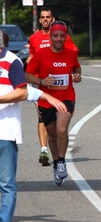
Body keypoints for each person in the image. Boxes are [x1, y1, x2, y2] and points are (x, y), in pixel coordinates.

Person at [0, 29, 66, 222]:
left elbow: (23, 91)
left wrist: (44, 94)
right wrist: (45, 94)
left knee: (7, 183)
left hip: (6, 133)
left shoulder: (12, 62)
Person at [25, 21, 82, 185]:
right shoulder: (41, 55)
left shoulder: (71, 54)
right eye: (55, 36)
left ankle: (62, 162)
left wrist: (77, 75)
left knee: (62, 129)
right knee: (52, 134)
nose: (58, 39)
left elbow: (77, 69)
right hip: (46, 99)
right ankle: (56, 162)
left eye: (62, 36)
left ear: (65, 37)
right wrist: (42, 81)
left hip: (66, 97)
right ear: (50, 37)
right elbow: (28, 75)